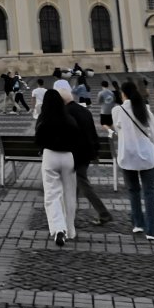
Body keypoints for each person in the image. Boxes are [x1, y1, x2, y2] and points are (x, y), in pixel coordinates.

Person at [55, 80, 112, 226]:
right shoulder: (85, 111)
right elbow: (93, 133)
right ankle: (71, 215)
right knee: (76, 186)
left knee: (83, 185)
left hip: (75, 155)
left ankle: (103, 213)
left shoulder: (65, 113)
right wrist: (96, 151)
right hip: (87, 153)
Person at [112, 79, 154, 241]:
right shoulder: (145, 109)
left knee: (133, 191)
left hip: (127, 156)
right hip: (147, 156)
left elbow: (119, 133)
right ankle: (151, 230)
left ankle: (137, 224)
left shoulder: (117, 111)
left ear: (123, 94)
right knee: (149, 193)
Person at [34, 88, 79, 247]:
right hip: (68, 157)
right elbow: (76, 140)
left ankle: (59, 229)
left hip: (50, 156)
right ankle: (71, 230)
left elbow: (38, 139)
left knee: (52, 195)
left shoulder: (43, 118)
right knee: (69, 193)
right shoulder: (70, 119)